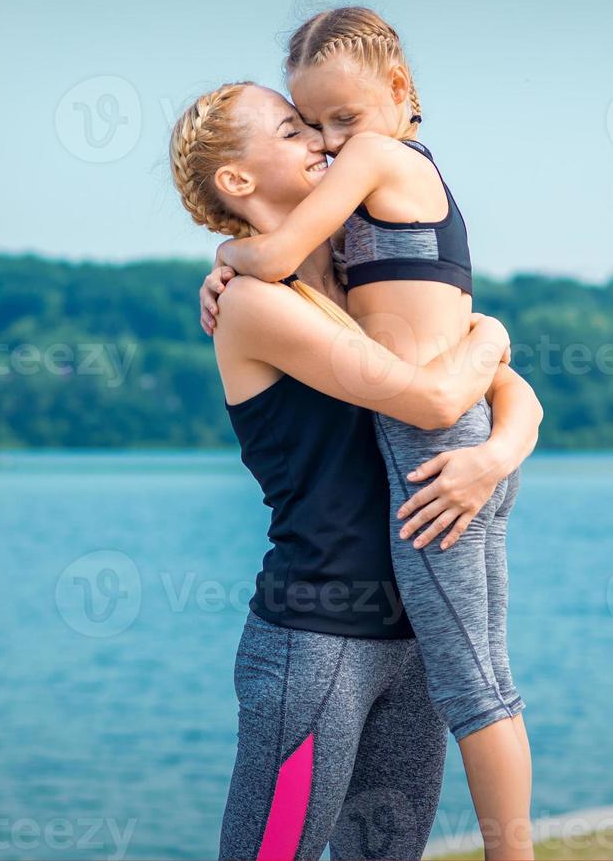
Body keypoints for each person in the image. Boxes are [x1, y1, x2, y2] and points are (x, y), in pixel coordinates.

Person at [170, 80, 542, 860]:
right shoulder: (252, 304)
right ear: (237, 181)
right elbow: (441, 395)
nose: (320, 140)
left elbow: (518, 401)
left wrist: (494, 457)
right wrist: (491, 333)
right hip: (315, 646)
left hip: (414, 644)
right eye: (292, 128)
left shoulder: (365, 271)